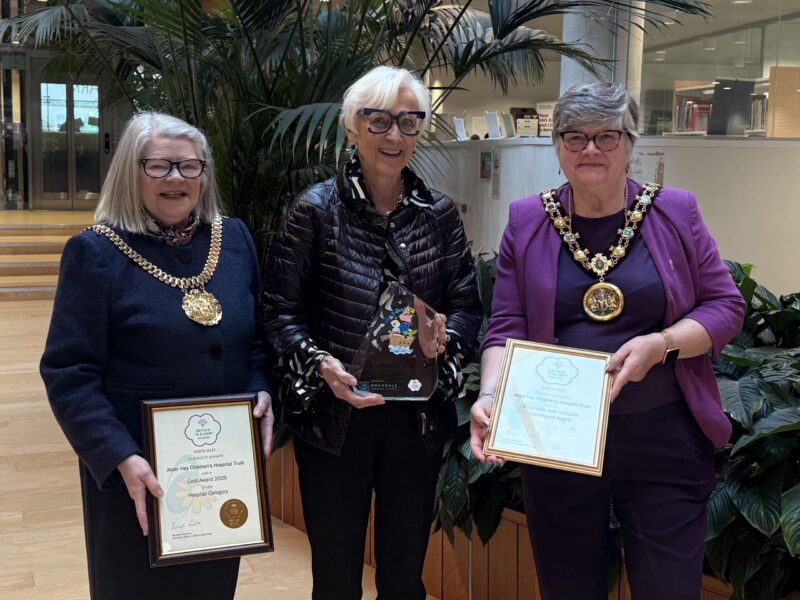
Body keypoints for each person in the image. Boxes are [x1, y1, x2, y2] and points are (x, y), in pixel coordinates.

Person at [469, 82, 746, 600]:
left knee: (669, 589)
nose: (590, 148)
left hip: (663, 433)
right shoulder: (528, 220)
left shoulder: (675, 211)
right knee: (569, 587)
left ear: (630, 143)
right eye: (574, 136)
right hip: (557, 437)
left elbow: (726, 307)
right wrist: (489, 396)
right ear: (556, 146)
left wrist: (660, 344)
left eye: (606, 136)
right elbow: (505, 326)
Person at [261, 65, 483, 600]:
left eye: (409, 122)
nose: (394, 136)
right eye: (378, 120)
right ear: (349, 127)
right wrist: (319, 365)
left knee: (404, 575)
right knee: (336, 578)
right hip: (336, 421)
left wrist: (445, 341)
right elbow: (277, 310)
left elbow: (468, 308)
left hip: (417, 420)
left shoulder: (440, 216)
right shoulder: (314, 211)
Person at [40, 112, 273, 600]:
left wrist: (261, 389)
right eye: (159, 166)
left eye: (189, 167)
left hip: (219, 471)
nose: (176, 179)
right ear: (131, 170)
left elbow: (255, 340)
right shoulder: (95, 254)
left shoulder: (233, 242)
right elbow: (69, 371)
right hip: (135, 475)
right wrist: (119, 455)